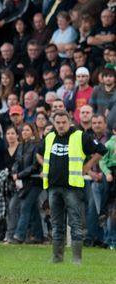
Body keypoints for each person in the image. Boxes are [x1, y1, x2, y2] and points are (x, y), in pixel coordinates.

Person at [37, 111, 106, 264]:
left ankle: (77, 259)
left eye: (64, 122)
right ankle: (57, 257)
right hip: (53, 187)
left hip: (72, 187)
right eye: (58, 122)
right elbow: (38, 153)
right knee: (56, 223)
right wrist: (45, 167)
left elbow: (101, 150)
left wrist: (87, 165)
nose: (61, 125)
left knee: (74, 222)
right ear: (54, 123)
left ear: (70, 122)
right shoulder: (49, 137)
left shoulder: (80, 136)